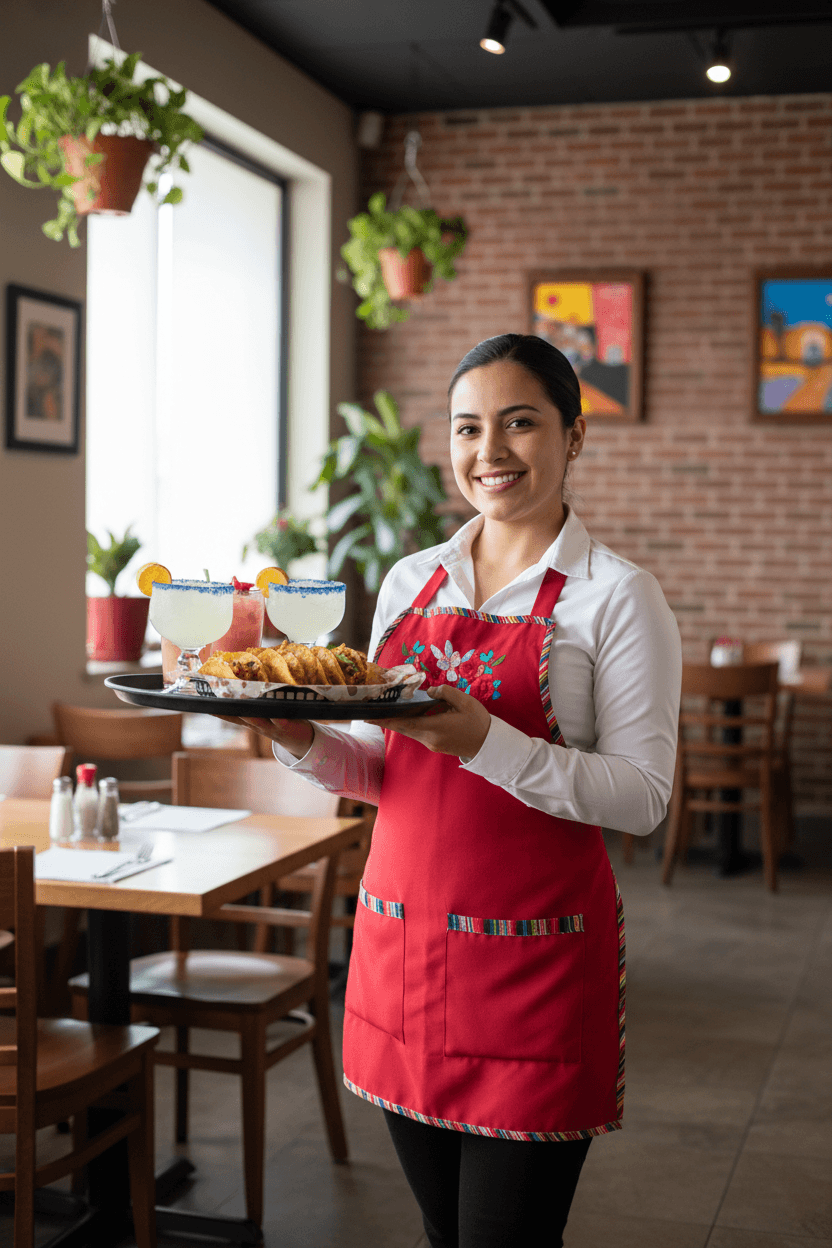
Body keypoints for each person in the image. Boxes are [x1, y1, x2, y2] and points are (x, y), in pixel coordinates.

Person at [243, 334, 682, 1247]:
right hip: (400, 953)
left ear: (575, 435)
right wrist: (299, 739)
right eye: (469, 427)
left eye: (521, 423)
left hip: (534, 969)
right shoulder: (413, 579)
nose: (491, 451)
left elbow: (642, 796)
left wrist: (487, 740)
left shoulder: (616, 597)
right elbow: (385, 769)